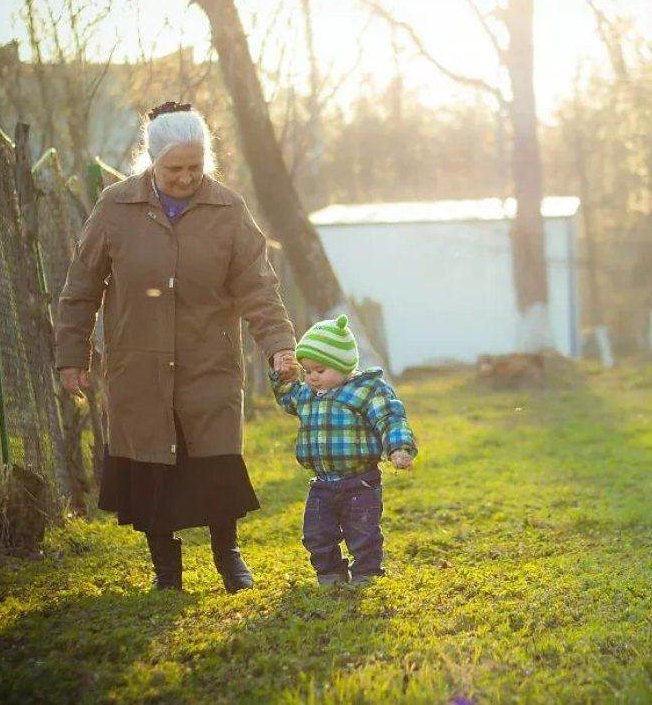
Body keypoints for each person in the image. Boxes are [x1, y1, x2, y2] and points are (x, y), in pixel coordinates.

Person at [55, 101, 299, 593]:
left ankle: (228, 558)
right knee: (150, 467)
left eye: (195, 166)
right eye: (175, 168)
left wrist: (279, 345)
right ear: (152, 160)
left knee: (216, 460)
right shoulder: (115, 206)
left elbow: (258, 287)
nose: (187, 177)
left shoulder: (229, 209)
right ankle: (167, 572)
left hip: (209, 362)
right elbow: (82, 286)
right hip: (138, 366)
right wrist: (71, 355)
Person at [271, 314, 417, 585]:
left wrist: (399, 449)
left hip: (360, 481)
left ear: (343, 366)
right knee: (316, 533)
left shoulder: (365, 391)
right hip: (322, 484)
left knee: (362, 532)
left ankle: (366, 572)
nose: (313, 377)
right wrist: (284, 377)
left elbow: (389, 418)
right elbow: (288, 397)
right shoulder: (307, 395)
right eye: (307, 371)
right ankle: (331, 573)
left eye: (320, 370)